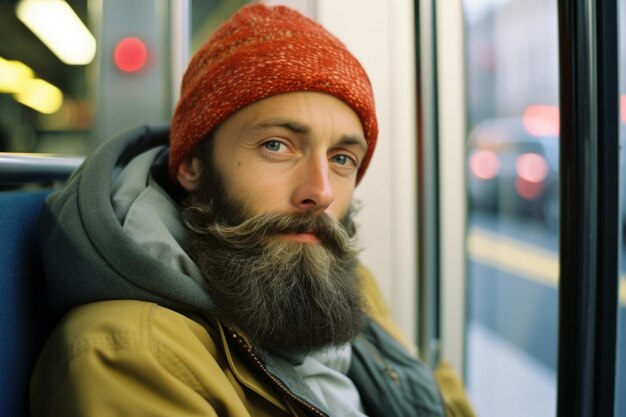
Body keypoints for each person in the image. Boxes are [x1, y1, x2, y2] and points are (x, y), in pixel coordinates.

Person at [30, 4, 475, 417]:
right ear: (191, 164)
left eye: (342, 158)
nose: (320, 192)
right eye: (276, 145)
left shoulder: (342, 284)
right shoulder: (129, 353)